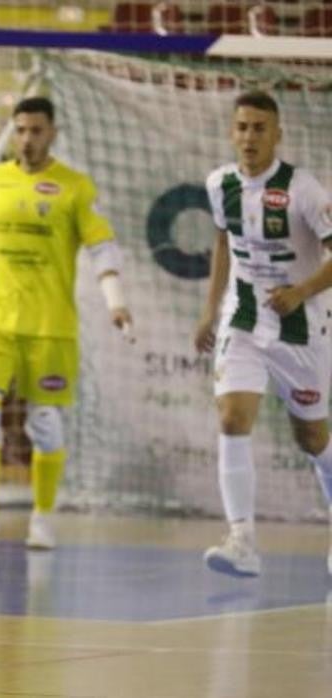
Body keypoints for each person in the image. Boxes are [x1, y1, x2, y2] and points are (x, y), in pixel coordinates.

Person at [0, 96, 133, 550]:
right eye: (21, 130)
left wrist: (115, 300)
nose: (27, 139)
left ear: (53, 133)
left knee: (46, 425)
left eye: (36, 130)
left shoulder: (75, 187)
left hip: (51, 325)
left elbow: (102, 247)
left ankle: (43, 518)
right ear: (13, 132)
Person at [194, 90, 332, 578]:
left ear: (278, 134)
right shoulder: (219, 183)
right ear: (232, 132)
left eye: (259, 128)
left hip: (302, 325)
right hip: (245, 319)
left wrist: (302, 290)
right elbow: (222, 242)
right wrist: (210, 311)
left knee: (314, 438)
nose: (249, 136)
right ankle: (243, 541)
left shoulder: (304, 189)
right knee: (232, 418)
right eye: (242, 127)